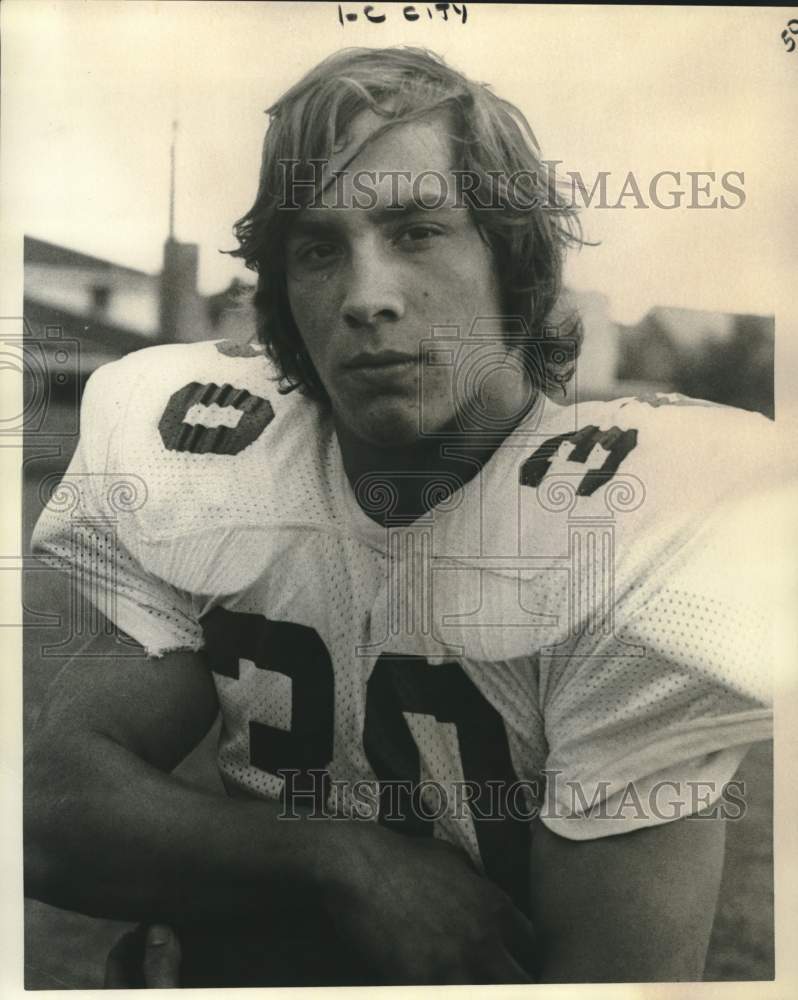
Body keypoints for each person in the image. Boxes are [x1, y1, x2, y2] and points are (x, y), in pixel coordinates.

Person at [25, 46, 780, 986]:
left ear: (513, 257)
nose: (364, 296)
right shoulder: (225, 467)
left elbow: (612, 980)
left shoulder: (620, 532)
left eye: (417, 231)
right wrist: (342, 864)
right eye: (316, 249)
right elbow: (49, 807)